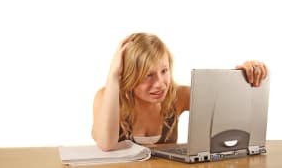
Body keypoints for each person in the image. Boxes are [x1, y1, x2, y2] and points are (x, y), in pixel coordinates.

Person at [91, 32, 268, 151]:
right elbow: (106, 144)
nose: (160, 84)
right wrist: (114, 75)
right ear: (128, 75)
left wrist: (245, 75)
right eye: (148, 75)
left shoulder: (177, 96)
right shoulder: (107, 97)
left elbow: (229, 102)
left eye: (164, 71)